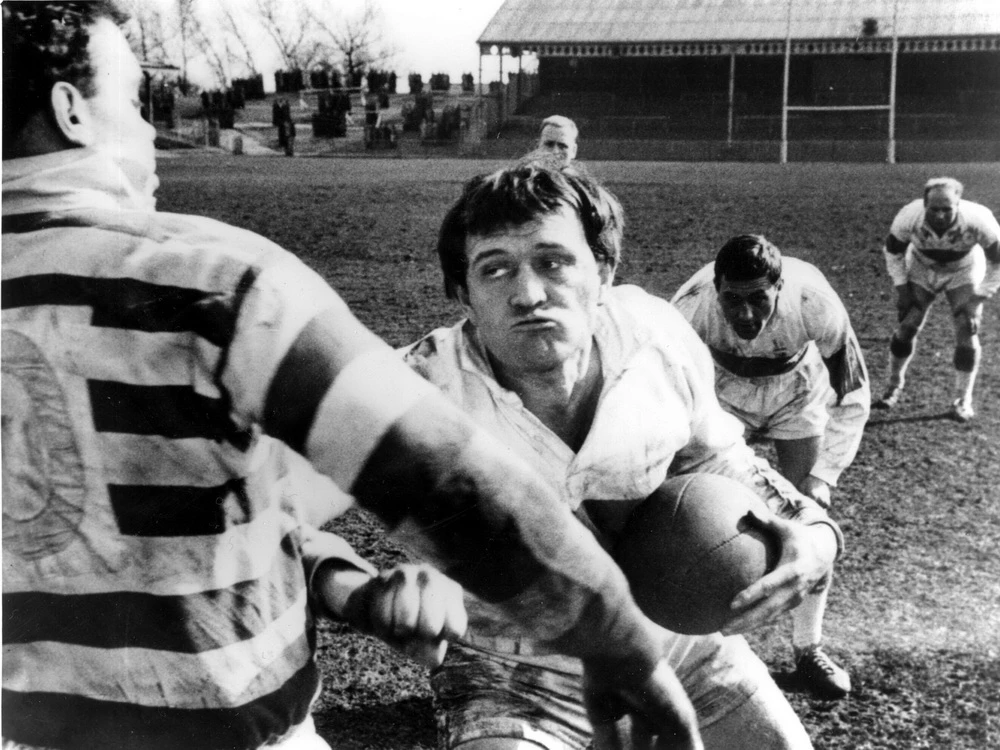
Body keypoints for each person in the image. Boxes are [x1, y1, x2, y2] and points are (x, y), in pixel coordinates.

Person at [1, 4, 713, 749]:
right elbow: (444, 485)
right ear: (71, 112)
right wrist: (612, 636)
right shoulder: (214, 282)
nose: (149, 131)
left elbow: (224, 519)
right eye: (134, 102)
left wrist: (354, 590)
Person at [401, 159, 844, 749]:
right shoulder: (412, 397)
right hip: (511, 667)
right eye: (495, 269)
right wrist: (362, 592)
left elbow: (719, 461)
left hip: (672, 642)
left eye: (553, 261)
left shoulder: (655, 339)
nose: (528, 294)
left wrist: (814, 533)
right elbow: (267, 503)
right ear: (464, 293)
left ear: (603, 270)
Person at [672, 235, 870, 699]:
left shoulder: (816, 304)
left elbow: (854, 392)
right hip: (719, 392)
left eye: (758, 298)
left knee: (808, 516)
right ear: (715, 288)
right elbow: (664, 387)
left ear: (778, 287)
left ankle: (809, 649)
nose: (745, 315)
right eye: (733, 300)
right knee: (695, 516)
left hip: (796, 390)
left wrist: (824, 474)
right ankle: (701, 654)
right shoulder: (688, 310)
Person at [872, 177, 1000, 421]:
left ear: (958, 204)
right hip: (921, 266)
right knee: (908, 324)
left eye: (947, 209)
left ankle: (963, 400)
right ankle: (893, 385)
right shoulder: (909, 216)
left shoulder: (979, 219)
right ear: (924, 204)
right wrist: (903, 290)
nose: (940, 215)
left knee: (966, 328)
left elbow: (998, 262)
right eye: (934, 209)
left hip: (963, 268)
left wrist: (977, 299)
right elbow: (893, 252)